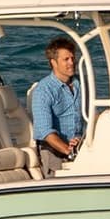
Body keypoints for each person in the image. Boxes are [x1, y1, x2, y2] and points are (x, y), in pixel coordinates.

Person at [30, 35, 86, 174]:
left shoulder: (81, 84)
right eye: (66, 59)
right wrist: (69, 150)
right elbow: (45, 132)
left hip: (79, 147)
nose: (71, 62)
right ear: (53, 62)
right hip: (53, 152)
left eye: (73, 58)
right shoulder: (43, 90)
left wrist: (81, 141)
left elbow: (90, 115)